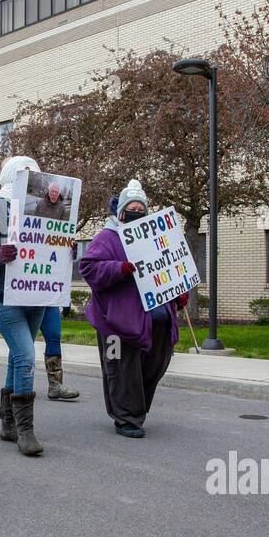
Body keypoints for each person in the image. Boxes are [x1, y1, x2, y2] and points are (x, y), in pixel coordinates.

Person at [78, 179, 184, 439]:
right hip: (114, 323)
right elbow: (89, 268)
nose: (137, 211)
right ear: (121, 210)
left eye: (141, 207)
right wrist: (120, 269)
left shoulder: (157, 238)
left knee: (154, 365)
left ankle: (137, 411)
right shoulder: (107, 238)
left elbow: (172, 268)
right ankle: (125, 417)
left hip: (155, 320)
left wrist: (181, 293)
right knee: (120, 368)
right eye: (132, 207)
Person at [0, 155, 47, 456]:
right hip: (3, 297)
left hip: (37, 296)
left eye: (34, 173)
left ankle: (8, 424)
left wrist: (64, 250)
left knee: (16, 357)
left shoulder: (45, 208)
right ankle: (25, 430)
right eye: (24, 173)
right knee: (25, 355)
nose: (29, 178)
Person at [39, 305, 80, 400]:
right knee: (23, 345)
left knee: (54, 338)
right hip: (23, 300)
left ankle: (55, 386)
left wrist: (66, 299)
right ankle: (17, 385)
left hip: (49, 300)